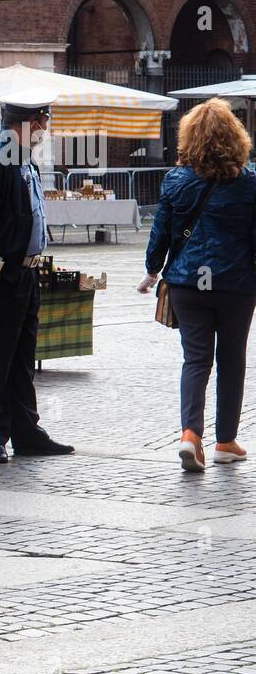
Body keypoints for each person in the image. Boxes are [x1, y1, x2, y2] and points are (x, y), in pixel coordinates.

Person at [0, 89, 74, 464]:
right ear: (33, 122)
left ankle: (25, 430)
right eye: (45, 122)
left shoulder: (24, 161)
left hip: (25, 274)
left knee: (22, 357)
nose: (46, 130)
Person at [139, 97, 256, 471]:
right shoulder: (250, 182)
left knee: (196, 360)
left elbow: (162, 230)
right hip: (236, 283)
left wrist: (152, 270)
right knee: (232, 359)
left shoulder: (176, 179)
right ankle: (226, 440)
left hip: (188, 281)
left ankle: (190, 435)